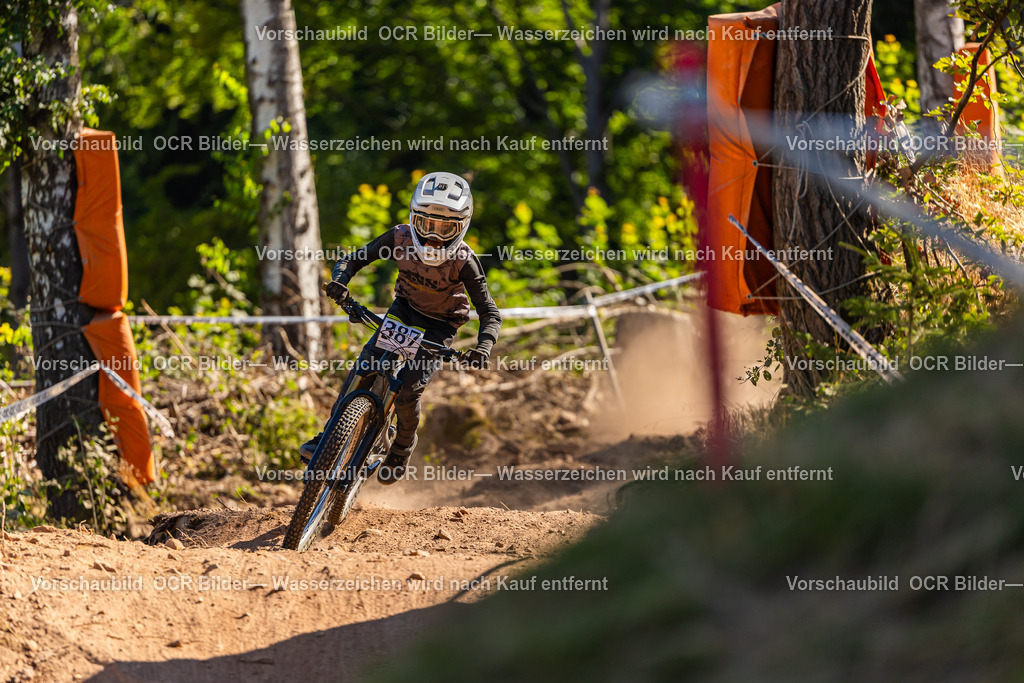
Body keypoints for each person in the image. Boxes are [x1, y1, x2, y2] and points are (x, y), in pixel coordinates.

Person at [300, 171, 502, 484]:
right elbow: (352, 260)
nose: (434, 238)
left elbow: (489, 311)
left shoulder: (464, 260)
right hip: (405, 311)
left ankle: (402, 448)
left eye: (445, 229)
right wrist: (340, 281)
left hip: (440, 326)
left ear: (462, 227)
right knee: (365, 367)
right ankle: (328, 437)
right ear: (413, 218)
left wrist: (484, 346)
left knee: (408, 392)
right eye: (426, 225)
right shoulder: (400, 237)